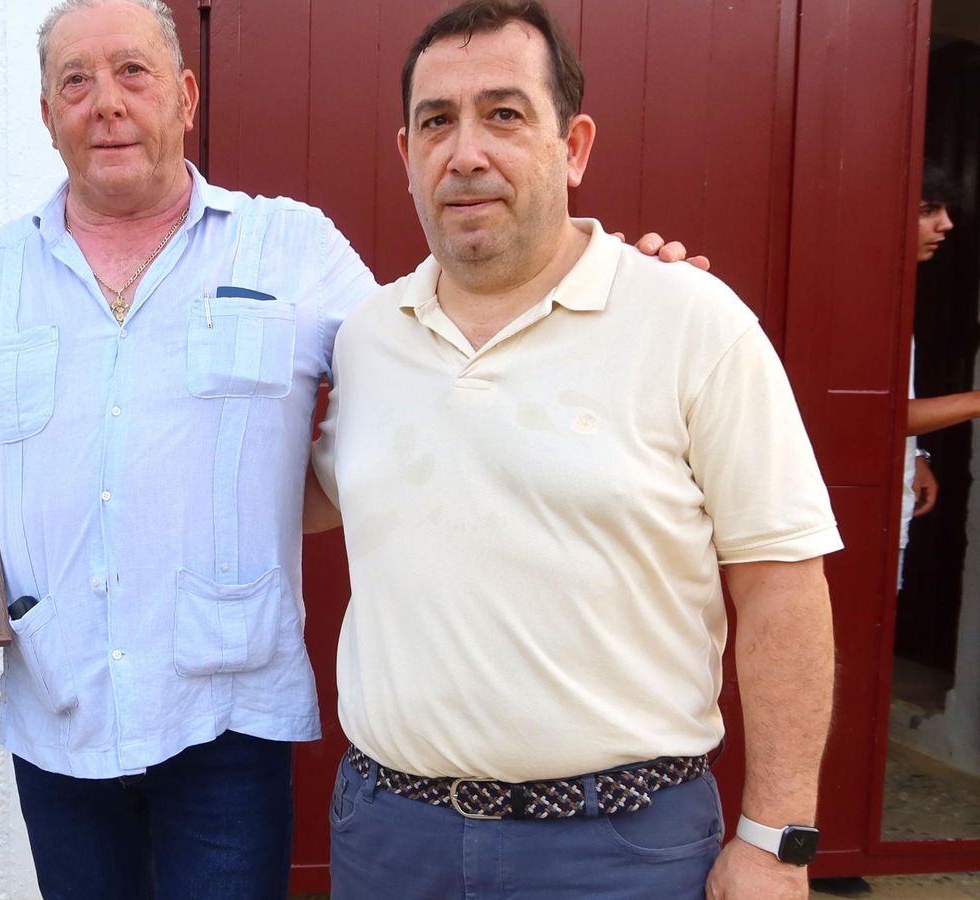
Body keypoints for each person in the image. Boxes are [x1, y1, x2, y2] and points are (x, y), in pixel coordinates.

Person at [0, 2, 699, 895]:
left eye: (133, 74)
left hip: (225, 717)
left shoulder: (291, 245)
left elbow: (439, 348)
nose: (106, 102)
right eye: (76, 81)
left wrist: (602, 287)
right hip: (59, 713)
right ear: (46, 115)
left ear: (184, 96)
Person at [308, 2, 840, 898]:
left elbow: (782, 584)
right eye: (436, 121)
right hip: (391, 841)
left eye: (505, 115)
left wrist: (775, 838)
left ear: (576, 146)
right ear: (406, 158)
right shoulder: (367, 337)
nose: (466, 152)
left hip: (623, 851)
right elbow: (316, 496)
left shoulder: (691, 322)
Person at [900, 162, 961, 575]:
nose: (947, 224)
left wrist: (914, 456)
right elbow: (882, 417)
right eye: (927, 211)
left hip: (894, 494)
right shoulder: (865, 297)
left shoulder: (895, 288)